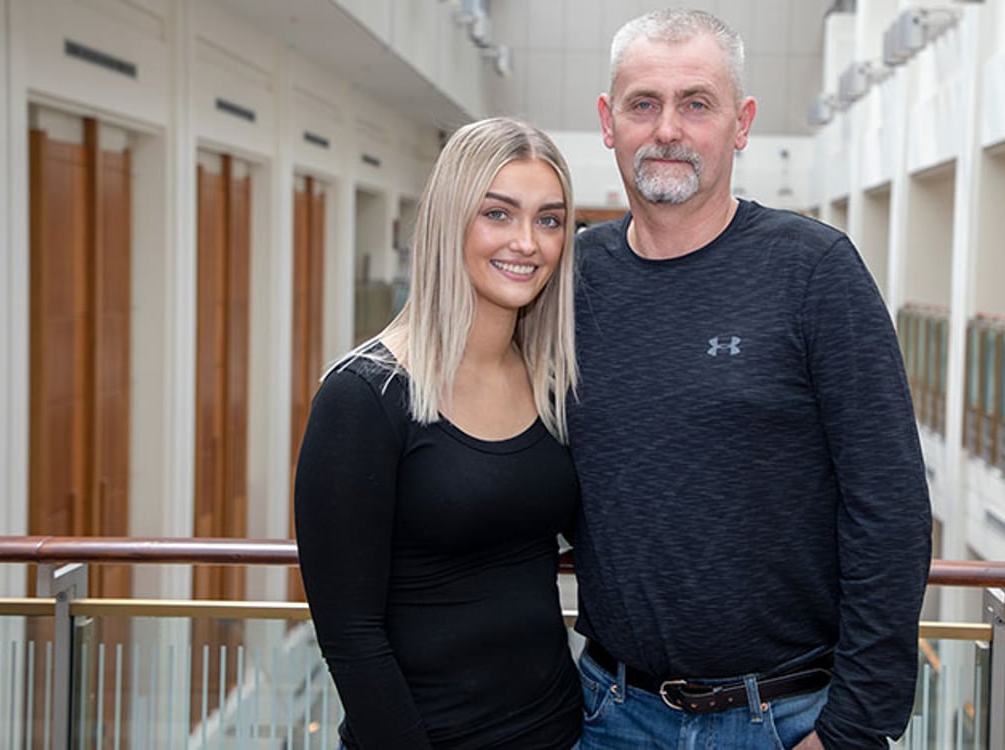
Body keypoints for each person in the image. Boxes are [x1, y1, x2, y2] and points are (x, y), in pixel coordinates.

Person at [567, 9, 932, 749]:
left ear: (741, 123)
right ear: (609, 122)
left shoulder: (815, 271)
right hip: (607, 712)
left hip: (787, 720)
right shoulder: (572, 279)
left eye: (696, 103)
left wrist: (853, 728)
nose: (667, 128)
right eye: (644, 104)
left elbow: (889, 509)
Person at [294, 117, 582, 749]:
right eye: (499, 214)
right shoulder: (364, 396)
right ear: (450, 221)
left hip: (562, 730)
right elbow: (351, 638)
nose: (528, 242)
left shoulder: (551, 381)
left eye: (550, 219)